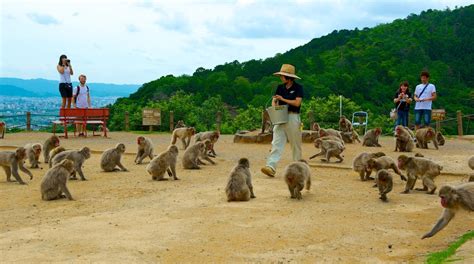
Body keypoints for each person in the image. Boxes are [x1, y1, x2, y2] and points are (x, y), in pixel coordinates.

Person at [261, 64, 303, 177]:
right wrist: (274, 105)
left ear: (288, 77)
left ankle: (297, 168)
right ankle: (271, 166)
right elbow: (274, 100)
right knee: (276, 142)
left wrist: (283, 99)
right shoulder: (280, 87)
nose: (281, 77)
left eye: (282, 76)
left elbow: (297, 103)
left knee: (295, 143)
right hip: (281, 115)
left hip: (293, 116)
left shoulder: (298, 88)